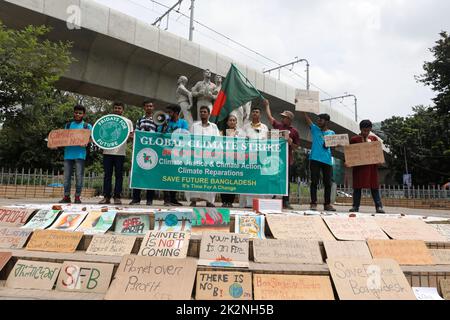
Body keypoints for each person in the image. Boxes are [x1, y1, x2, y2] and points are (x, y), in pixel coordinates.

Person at [264, 99, 300, 209]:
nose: (282, 118)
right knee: (274, 178)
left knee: (286, 181)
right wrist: (267, 105)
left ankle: (286, 201)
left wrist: (291, 142)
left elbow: (296, 147)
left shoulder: (294, 131)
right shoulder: (278, 126)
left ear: (289, 119)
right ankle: (273, 198)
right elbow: (270, 118)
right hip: (275, 158)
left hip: (287, 159)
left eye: (284, 117)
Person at [99, 102, 134, 205]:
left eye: (119, 108)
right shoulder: (107, 120)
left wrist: (129, 136)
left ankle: (117, 197)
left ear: (122, 110)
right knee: (107, 175)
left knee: (119, 176)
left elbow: (131, 135)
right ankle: (106, 197)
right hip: (107, 152)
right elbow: (100, 133)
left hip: (120, 153)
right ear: (113, 109)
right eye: (116, 108)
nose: (117, 110)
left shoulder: (128, 122)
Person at [186, 106, 221, 207]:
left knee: (209, 177)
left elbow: (218, 142)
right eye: (201, 112)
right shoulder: (194, 126)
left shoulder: (214, 127)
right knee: (195, 177)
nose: (202, 114)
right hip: (196, 156)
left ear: (209, 114)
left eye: (204, 112)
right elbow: (189, 140)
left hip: (210, 157)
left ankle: (209, 201)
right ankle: (194, 200)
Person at [349, 120, 385, 213]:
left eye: (368, 131)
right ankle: (355, 206)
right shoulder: (354, 139)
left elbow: (377, 152)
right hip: (359, 168)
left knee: (374, 187)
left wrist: (380, 161)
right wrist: (348, 162)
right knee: (357, 187)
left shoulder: (374, 139)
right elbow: (351, 154)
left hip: (371, 167)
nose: (366, 133)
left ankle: (379, 206)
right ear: (360, 129)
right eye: (364, 130)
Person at [58, 105, 93, 204]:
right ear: (73, 113)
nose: (78, 114)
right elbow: (63, 138)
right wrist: (55, 143)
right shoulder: (68, 125)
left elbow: (92, 138)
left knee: (79, 177)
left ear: (83, 114)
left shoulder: (87, 126)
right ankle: (66, 196)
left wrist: (87, 141)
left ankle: (77, 197)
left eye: (80, 113)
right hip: (68, 154)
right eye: (76, 112)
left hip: (80, 154)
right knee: (66, 177)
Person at [303, 112, 337, 211]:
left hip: (327, 161)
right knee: (314, 182)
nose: (318, 121)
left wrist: (329, 145)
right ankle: (313, 203)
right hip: (314, 159)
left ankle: (327, 204)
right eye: (318, 120)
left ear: (326, 122)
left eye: (320, 120)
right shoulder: (315, 129)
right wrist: (303, 111)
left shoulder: (332, 133)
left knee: (328, 183)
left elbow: (334, 147)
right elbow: (308, 120)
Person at [158, 105, 189, 206]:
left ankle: (173, 199)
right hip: (166, 153)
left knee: (175, 176)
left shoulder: (183, 123)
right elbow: (159, 134)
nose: (168, 114)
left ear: (176, 113)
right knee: (166, 175)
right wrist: (164, 126)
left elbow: (185, 135)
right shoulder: (165, 122)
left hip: (178, 154)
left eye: (170, 112)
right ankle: (166, 199)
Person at [129, 100, 157, 206]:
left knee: (151, 175)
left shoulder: (157, 120)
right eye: (147, 106)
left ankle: (149, 199)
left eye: (151, 106)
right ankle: (136, 198)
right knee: (138, 174)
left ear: (153, 107)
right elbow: (136, 134)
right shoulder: (139, 120)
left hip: (153, 151)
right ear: (144, 108)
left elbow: (159, 133)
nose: (149, 107)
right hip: (140, 151)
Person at [240, 107, 269, 208]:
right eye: (254, 112)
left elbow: (268, 142)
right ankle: (248, 203)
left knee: (259, 180)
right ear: (251, 114)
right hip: (249, 158)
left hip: (261, 157)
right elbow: (240, 140)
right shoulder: (245, 127)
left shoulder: (264, 127)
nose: (255, 114)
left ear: (260, 115)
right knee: (249, 179)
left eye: (257, 112)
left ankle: (260, 202)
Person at [220, 114, 243, 207]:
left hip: (235, 160)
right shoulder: (222, 133)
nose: (232, 122)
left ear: (236, 122)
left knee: (233, 181)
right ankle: (224, 201)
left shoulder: (240, 133)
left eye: (234, 120)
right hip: (224, 160)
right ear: (227, 122)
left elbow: (243, 145)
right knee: (223, 181)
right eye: (230, 120)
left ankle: (230, 201)